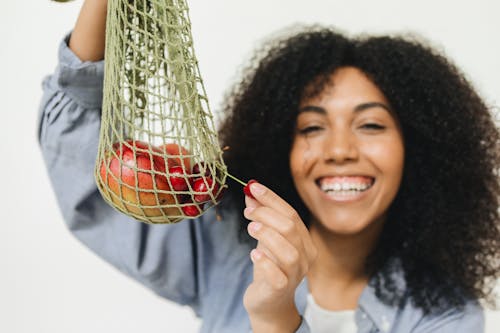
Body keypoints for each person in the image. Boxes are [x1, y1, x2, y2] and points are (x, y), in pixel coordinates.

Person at [38, 0, 500, 332]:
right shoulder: (225, 250)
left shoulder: (444, 317)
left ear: (416, 149)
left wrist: (278, 321)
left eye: (371, 126)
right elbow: (79, 155)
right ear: (283, 148)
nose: (339, 149)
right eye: (312, 128)